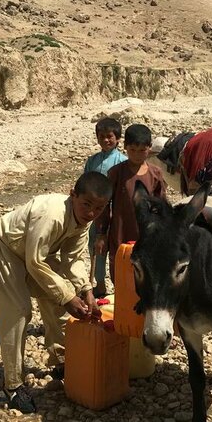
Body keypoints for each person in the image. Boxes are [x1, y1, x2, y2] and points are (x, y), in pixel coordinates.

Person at [0, 171, 111, 413]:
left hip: (33, 255)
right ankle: (13, 385)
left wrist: (85, 290)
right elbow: (36, 263)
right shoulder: (52, 214)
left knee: (60, 298)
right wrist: (68, 296)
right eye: (86, 205)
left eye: (99, 208)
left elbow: (73, 259)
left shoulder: (85, 220)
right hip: (5, 248)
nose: (91, 213)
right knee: (17, 312)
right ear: (73, 195)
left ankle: (60, 360)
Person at [95, 123, 167, 279]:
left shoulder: (155, 174)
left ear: (149, 149)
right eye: (133, 150)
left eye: (142, 150)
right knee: (121, 273)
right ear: (125, 148)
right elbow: (105, 205)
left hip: (147, 234)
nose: (137, 155)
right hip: (121, 232)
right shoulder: (116, 173)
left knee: (146, 274)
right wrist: (101, 234)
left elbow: (161, 205)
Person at [83, 117, 127, 297]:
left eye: (109, 136)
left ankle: (122, 289)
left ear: (117, 138)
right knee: (96, 249)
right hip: (94, 213)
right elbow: (85, 182)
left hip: (114, 213)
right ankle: (99, 285)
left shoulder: (122, 161)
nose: (106, 140)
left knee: (117, 251)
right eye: (101, 137)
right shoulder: (92, 161)